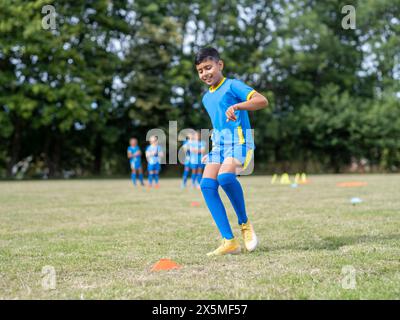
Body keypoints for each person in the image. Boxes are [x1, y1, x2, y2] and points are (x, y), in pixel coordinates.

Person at [195, 47, 269, 256]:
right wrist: (212, 150)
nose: (205, 73)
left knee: (226, 177)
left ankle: (244, 224)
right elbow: (218, 126)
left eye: (208, 67)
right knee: (207, 185)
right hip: (220, 146)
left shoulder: (232, 85)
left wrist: (238, 106)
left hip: (240, 143)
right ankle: (229, 241)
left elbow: (262, 101)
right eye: (200, 71)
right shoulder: (206, 98)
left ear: (220, 64)